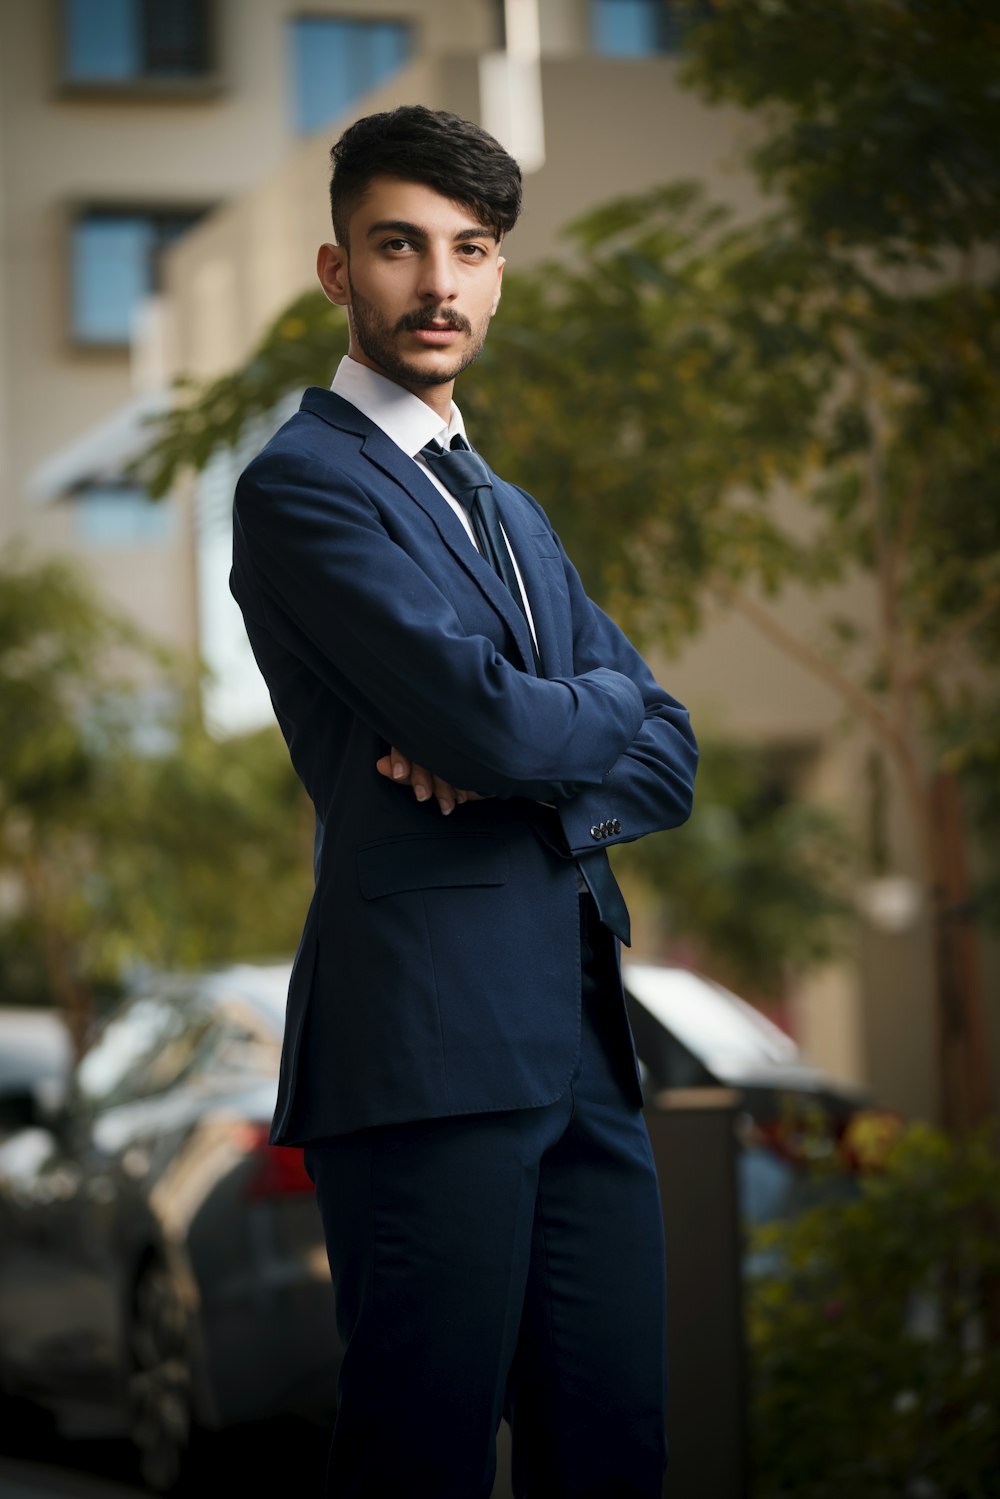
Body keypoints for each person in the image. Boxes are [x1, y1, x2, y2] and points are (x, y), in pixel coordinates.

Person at [230, 104, 698, 1499]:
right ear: (338, 270)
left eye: (470, 249)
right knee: (421, 1456)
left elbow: (667, 744)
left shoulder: (514, 512)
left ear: (497, 273)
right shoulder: (302, 488)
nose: (438, 283)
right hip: (423, 1045)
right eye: (400, 246)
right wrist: (539, 721)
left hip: (581, 1047)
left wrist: (539, 734)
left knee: (613, 1448)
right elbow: (490, 719)